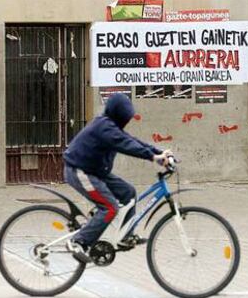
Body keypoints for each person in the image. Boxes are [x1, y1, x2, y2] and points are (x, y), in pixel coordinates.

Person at [64, 93, 172, 263]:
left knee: (128, 192)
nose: (126, 121)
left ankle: (125, 237)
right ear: (118, 114)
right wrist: (152, 157)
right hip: (80, 171)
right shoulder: (104, 127)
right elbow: (127, 145)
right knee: (110, 207)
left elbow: (131, 140)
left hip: (96, 171)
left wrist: (158, 152)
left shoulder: (111, 127)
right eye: (125, 117)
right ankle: (78, 241)